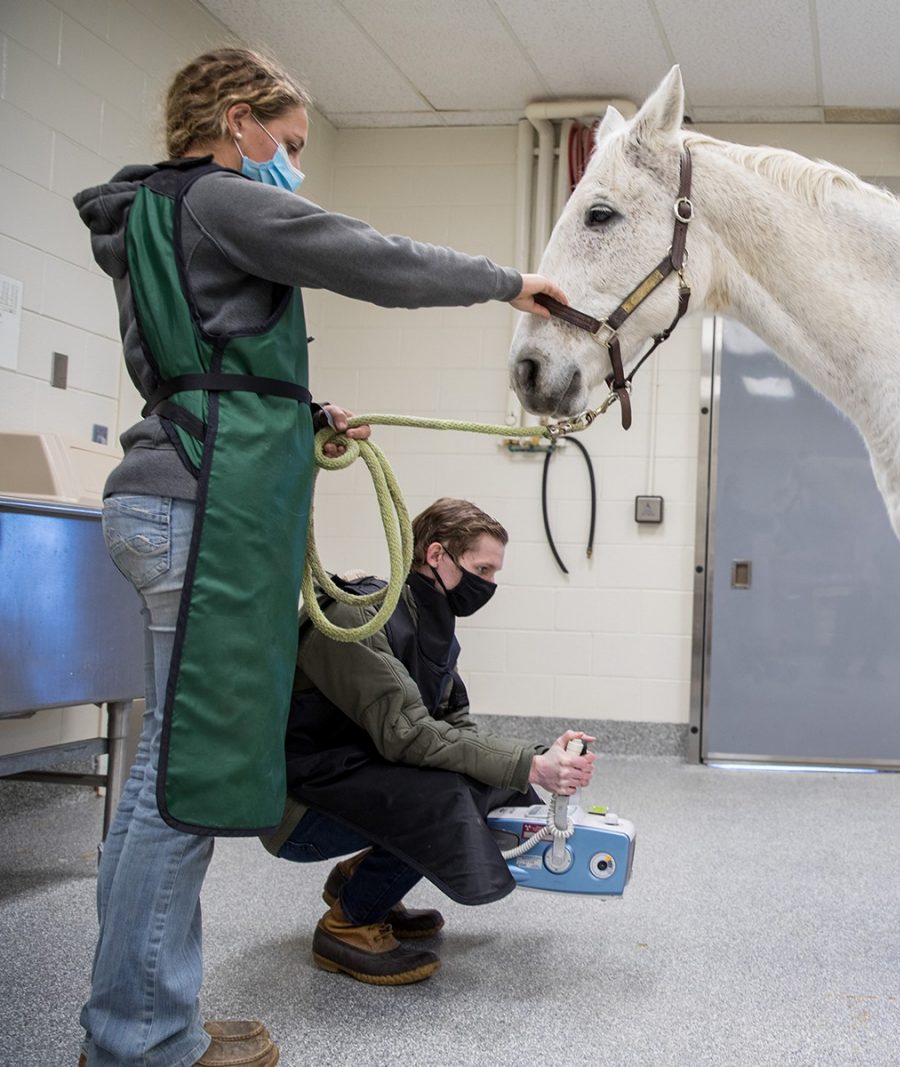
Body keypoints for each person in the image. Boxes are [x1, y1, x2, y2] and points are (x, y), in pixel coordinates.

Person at [73, 46, 568, 1067]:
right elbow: (365, 254)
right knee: (187, 784)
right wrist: (509, 283)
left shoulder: (154, 217)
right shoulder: (216, 196)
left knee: (162, 775)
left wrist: (298, 413)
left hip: (170, 495)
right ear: (236, 118)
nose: (292, 167)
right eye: (288, 145)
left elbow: (199, 363)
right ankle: (142, 1039)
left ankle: (134, 1020)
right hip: (201, 512)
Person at [262, 498, 596, 985]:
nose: (489, 585)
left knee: (483, 783)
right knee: (446, 796)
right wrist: (527, 764)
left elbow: (454, 726)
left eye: (495, 573)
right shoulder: (358, 617)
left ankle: (362, 885)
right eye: (482, 568)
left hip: (352, 778)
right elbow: (409, 735)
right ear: (437, 555)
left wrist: (535, 759)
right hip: (299, 804)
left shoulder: (429, 622)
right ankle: (347, 926)